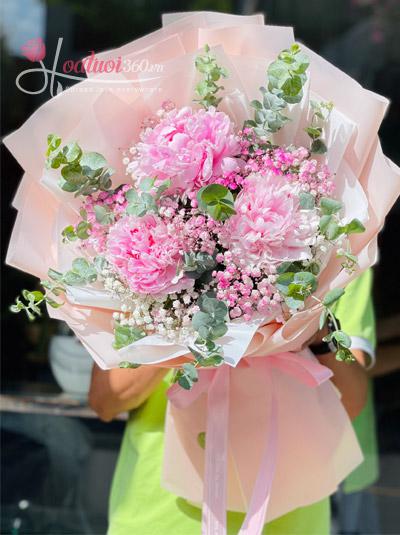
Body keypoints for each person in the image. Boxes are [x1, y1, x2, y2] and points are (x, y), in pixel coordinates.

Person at [89, 270, 375, 535]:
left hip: (289, 515)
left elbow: (349, 402)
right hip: (160, 514)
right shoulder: (142, 252)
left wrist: (317, 329)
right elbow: (107, 401)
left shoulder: (335, 247)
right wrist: (183, 312)